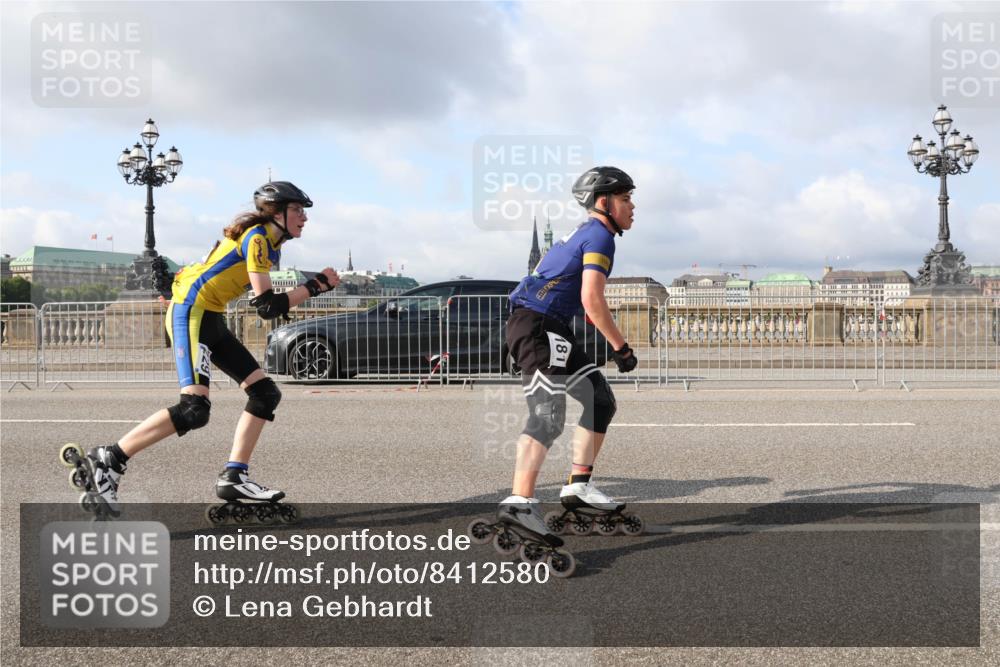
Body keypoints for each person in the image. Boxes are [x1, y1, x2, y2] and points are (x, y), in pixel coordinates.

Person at [80, 181, 339, 515]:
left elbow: (253, 295)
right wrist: (315, 286)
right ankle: (108, 459)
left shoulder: (271, 245)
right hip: (191, 311)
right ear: (276, 212)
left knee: (265, 395)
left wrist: (310, 288)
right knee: (193, 409)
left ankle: (234, 476)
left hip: (210, 315)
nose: (304, 217)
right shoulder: (258, 238)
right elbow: (266, 307)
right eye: (297, 210)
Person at [500, 166, 638, 542]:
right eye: (625, 199)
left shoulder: (588, 232)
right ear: (603, 202)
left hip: (552, 326)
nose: (632, 206)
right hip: (537, 326)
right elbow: (592, 300)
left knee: (599, 399)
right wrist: (621, 347)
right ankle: (519, 502)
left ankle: (578, 486)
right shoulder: (599, 236)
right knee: (547, 416)